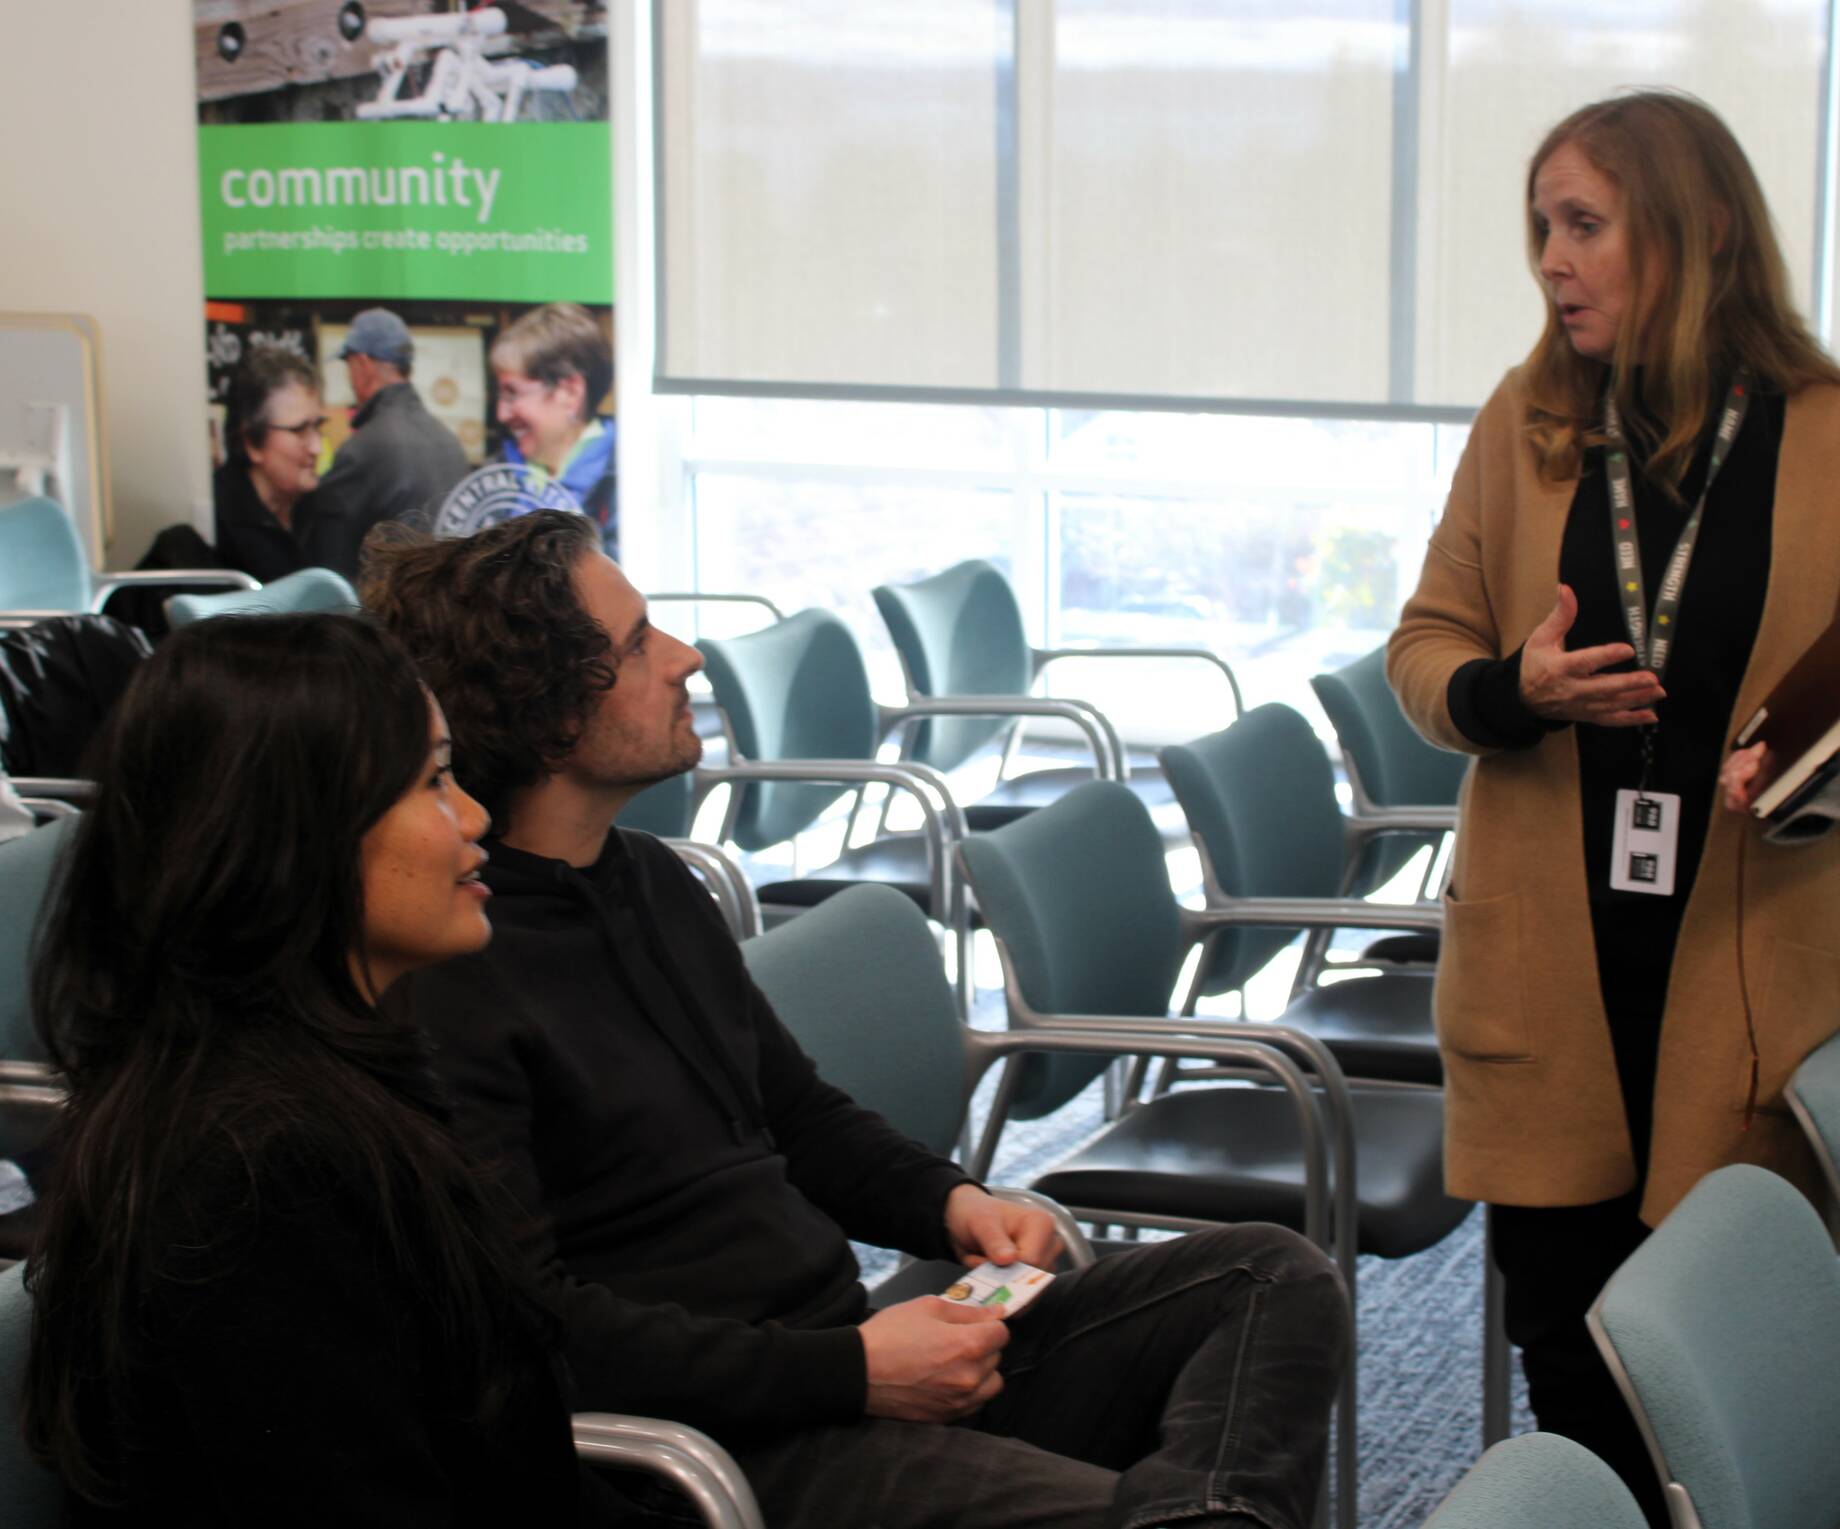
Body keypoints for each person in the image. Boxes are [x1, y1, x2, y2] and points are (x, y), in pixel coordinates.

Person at [361, 510, 1348, 1529]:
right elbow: (540, 1330)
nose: (686, 657)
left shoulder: (651, 880)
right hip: (736, 1441)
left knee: (1269, 1273)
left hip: (849, 1353)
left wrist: (948, 1201)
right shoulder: (454, 975)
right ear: (547, 709)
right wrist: (849, 1370)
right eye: (639, 642)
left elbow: (798, 1116)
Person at [1386, 90, 1840, 1518]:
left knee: (1708, 1365)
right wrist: (1517, 689)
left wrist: (1824, 788)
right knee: (1571, 1371)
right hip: (1547, 973)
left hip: (1742, 977)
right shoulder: (1525, 429)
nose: (1552, 262)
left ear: (1696, 233)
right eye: (1540, 230)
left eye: (1584, 225)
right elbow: (1422, 650)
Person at [19, 614, 603, 1524]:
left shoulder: (338, 1073)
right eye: (435, 780)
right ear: (300, 832)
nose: (476, 814)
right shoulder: (255, 1182)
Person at [297, 307, 471, 582]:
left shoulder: (363, 449)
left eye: (349, 365)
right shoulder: (449, 442)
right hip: (445, 609)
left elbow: (329, 565)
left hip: (390, 611)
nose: (350, 379)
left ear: (363, 365)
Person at [490, 303, 619, 559]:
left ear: (570, 393)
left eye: (513, 393)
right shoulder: (494, 480)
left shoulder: (628, 482)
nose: (501, 414)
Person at [212, 347, 322, 582]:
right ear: (252, 441)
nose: (316, 448)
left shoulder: (324, 510)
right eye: (299, 430)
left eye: (317, 427)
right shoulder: (215, 526)